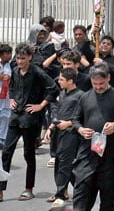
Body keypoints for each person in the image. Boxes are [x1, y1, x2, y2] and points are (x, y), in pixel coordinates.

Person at [0, 43, 58, 202]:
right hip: (15, 116)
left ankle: (28, 188)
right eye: (18, 58)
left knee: (28, 153)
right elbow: (12, 87)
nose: (20, 61)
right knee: (6, 152)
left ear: (30, 58)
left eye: (23, 58)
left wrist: (41, 105)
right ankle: (1, 189)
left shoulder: (37, 72)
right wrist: (11, 99)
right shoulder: (15, 71)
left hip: (31, 118)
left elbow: (54, 88)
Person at [72, 66, 114, 211]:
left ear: (108, 79)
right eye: (95, 84)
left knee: (108, 202)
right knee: (81, 200)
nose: (98, 87)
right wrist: (81, 129)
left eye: (101, 84)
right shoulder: (85, 97)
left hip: (110, 159)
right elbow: (75, 119)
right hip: (87, 156)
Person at [44, 68, 83, 209]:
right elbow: (58, 113)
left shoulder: (80, 96)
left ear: (70, 81)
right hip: (58, 133)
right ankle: (73, 191)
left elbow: (83, 117)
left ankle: (60, 195)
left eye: (61, 79)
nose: (59, 82)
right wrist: (50, 128)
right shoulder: (62, 94)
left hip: (71, 134)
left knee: (66, 164)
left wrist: (69, 123)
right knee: (59, 162)